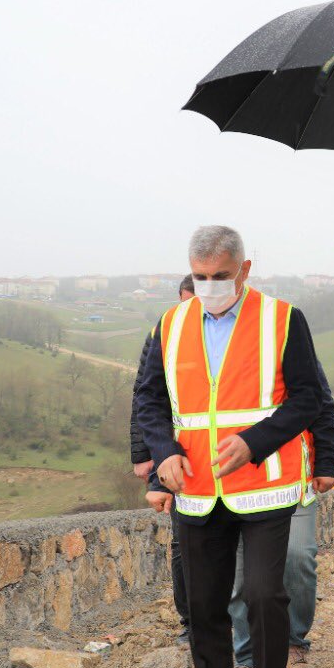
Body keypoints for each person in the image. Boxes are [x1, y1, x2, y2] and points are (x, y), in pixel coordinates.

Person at [136, 225, 334, 668]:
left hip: (264, 485)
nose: (208, 286)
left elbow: (308, 400)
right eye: (199, 277)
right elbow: (150, 400)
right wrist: (162, 452)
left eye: (219, 277)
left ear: (245, 270)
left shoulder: (282, 319)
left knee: (266, 596)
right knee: (202, 606)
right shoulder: (170, 324)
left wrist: (254, 442)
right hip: (197, 491)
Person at [229, 359, 334, 668]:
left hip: (290, 477)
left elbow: (320, 403)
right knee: (239, 576)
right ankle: (248, 657)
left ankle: (293, 644)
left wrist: (327, 460)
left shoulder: (279, 331)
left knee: (297, 556)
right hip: (232, 485)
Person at [136, 276, 196, 644]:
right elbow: (145, 395)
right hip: (172, 460)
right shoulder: (166, 332)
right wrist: (145, 455)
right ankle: (191, 621)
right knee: (181, 544)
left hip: (219, 462)